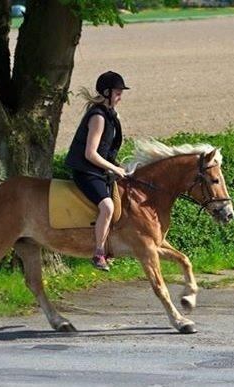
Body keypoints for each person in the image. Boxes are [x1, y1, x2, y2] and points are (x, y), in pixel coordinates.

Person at [65, 71, 130, 271]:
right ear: (107, 92)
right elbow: (91, 154)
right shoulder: (98, 117)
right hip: (86, 172)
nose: (120, 97)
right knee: (107, 207)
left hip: (99, 171)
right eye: (118, 93)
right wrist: (114, 169)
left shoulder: (111, 115)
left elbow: (106, 150)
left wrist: (119, 166)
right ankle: (99, 252)